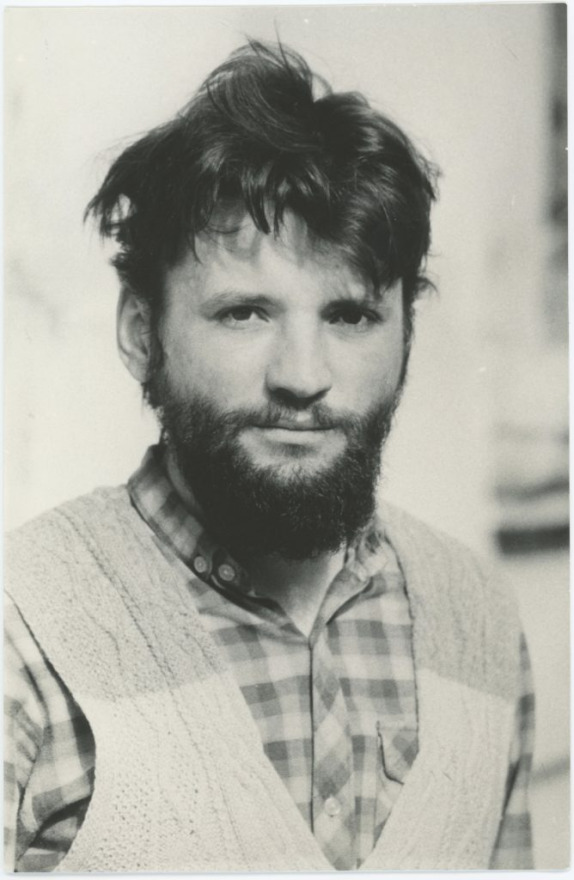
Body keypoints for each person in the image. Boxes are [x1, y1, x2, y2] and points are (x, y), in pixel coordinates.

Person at [5, 41, 534, 873]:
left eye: (350, 315)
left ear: (406, 332)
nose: (302, 376)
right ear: (142, 333)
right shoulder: (21, 625)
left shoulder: (483, 621)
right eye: (245, 313)